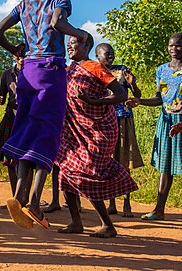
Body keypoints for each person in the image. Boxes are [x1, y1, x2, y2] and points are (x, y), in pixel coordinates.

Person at [0, 0, 89, 229]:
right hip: (50, 71)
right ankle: (34, 203)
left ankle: (20, 196)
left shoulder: (22, 6)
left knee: (26, 131)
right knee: (47, 133)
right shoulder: (60, 0)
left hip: (28, 71)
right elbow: (58, 22)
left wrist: (15, 50)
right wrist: (79, 33)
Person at [56, 34, 137, 238]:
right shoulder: (69, 70)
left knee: (87, 173)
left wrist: (94, 101)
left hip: (100, 130)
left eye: (74, 43)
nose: (70, 46)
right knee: (65, 171)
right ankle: (76, 222)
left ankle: (108, 225)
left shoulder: (95, 68)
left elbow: (121, 95)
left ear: (87, 45)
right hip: (75, 131)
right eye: (69, 43)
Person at [127, 33, 182, 224]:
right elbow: (159, 99)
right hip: (166, 122)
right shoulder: (161, 70)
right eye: (171, 45)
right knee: (165, 167)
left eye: (179, 45)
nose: (174, 49)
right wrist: (140, 101)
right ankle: (159, 210)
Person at [95, 43, 143, 217]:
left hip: (123, 119)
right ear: (97, 55)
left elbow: (137, 95)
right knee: (107, 162)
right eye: (107, 54)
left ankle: (127, 203)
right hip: (103, 122)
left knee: (124, 159)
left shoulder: (123, 70)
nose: (110, 56)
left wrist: (133, 84)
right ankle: (112, 203)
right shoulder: (94, 71)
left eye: (112, 54)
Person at [0, 52, 23, 195]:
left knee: (26, 160)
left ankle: (25, 195)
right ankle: (16, 196)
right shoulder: (7, 74)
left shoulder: (33, 73)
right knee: (10, 159)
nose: (22, 58)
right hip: (11, 119)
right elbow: (1, 96)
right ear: (14, 57)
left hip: (27, 121)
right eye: (19, 55)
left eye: (25, 55)